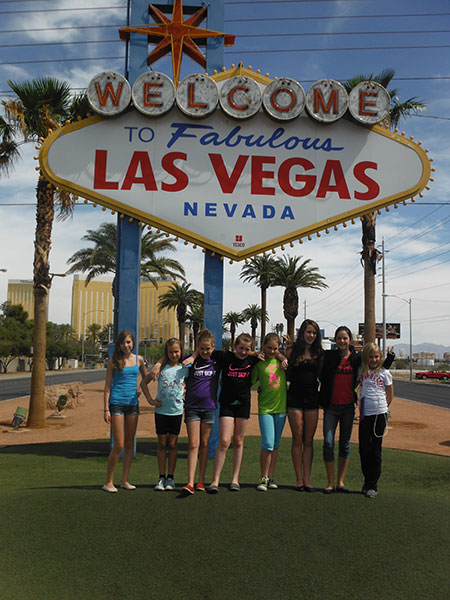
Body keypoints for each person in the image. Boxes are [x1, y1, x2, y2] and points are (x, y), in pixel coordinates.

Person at [319, 326, 394, 494]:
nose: (342, 341)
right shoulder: (336, 358)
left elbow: (378, 367)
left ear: (350, 340)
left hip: (356, 410)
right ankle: (333, 483)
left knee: (359, 447)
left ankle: (357, 484)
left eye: (345, 338)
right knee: (334, 444)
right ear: (335, 340)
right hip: (340, 410)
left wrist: (389, 359)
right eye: (339, 338)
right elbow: (372, 362)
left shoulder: (358, 360)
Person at [103, 330, 150, 493]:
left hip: (132, 405)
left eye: (128, 342)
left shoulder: (139, 360)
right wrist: (106, 409)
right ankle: (108, 482)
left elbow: (146, 378)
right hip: (116, 404)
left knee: (130, 444)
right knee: (119, 445)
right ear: (119, 344)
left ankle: (124, 480)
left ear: (133, 343)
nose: (126, 345)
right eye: (123, 343)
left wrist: (140, 390)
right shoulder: (113, 360)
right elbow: (107, 387)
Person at [141, 338, 189, 492]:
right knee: (162, 444)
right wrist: (150, 400)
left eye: (176, 351)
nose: (174, 355)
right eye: (170, 352)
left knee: (173, 444)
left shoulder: (185, 368)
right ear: (166, 353)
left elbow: (193, 384)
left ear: (181, 351)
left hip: (176, 411)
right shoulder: (160, 368)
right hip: (161, 412)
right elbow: (143, 383)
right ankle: (161, 477)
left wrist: (186, 393)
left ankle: (171, 478)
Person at [285, 319, 323, 492]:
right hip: (294, 399)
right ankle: (299, 479)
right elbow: (284, 370)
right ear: (302, 333)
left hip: (312, 400)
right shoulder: (292, 351)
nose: (311, 335)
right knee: (297, 438)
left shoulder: (319, 353)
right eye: (308, 332)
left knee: (308, 440)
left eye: (314, 333)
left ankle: (307, 480)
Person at [181, 329, 221, 495]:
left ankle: (201, 480)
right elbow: (170, 358)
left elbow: (239, 354)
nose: (205, 352)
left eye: (208, 349)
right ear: (197, 347)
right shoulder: (190, 361)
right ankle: (190, 482)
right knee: (193, 444)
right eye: (202, 348)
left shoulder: (217, 361)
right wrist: (193, 356)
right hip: (192, 407)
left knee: (204, 443)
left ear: (213, 347)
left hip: (209, 407)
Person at [251, 333, 287, 492]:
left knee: (276, 444)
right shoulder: (259, 364)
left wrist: (283, 357)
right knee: (267, 443)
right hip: (265, 409)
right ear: (263, 347)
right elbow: (250, 381)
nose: (272, 351)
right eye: (269, 348)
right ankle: (263, 477)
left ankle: (271, 476)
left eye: (275, 348)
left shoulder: (282, 363)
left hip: (281, 408)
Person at [357, 343, 394, 499]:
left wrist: (384, 409)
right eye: (371, 357)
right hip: (365, 415)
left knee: (375, 450)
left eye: (376, 356)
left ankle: (372, 485)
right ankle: (367, 480)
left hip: (379, 415)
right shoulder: (362, 371)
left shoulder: (385, 373)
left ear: (380, 357)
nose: (373, 359)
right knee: (364, 449)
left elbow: (390, 393)